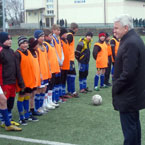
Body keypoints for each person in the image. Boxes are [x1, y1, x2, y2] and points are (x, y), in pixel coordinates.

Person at [112, 14, 145, 145]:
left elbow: (128, 73)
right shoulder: (133, 39)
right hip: (133, 93)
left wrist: (116, 86)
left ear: (126, 28)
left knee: (130, 129)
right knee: (134, 125)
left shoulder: (130, 42)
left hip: (128, 94)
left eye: (116, 28)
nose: (114, 31)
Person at [0, 32, 24, 127]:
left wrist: (20, 81)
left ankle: (8, 118)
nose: (10, 41)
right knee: (3, 101)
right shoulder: (1, 51)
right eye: (7, 39)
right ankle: (3, 121)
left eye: (10, 39)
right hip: (4, 82)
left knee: (10, 101)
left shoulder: (11, 51)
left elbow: (17, 67)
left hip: (12, 81)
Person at [15, 36, 38, 125]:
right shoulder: (17, 54)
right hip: (22, 81)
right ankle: (21, 118)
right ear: (19, 44)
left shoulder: (28, 51)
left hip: (30, 80)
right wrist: (20, 82)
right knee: (21, 97)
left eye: (26, 43)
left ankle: (27, 115)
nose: (25, 45)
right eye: (23, 43)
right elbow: (17, 69)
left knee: (27, 96)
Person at [67, 22, 79, 97]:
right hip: (69, 59)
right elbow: (66, 46)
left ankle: (70, 91)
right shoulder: (70, 36)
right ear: (75, 28)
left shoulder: (70, 35)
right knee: (72, 74)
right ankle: (72, 91)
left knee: (69, 74)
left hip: (70, 58)